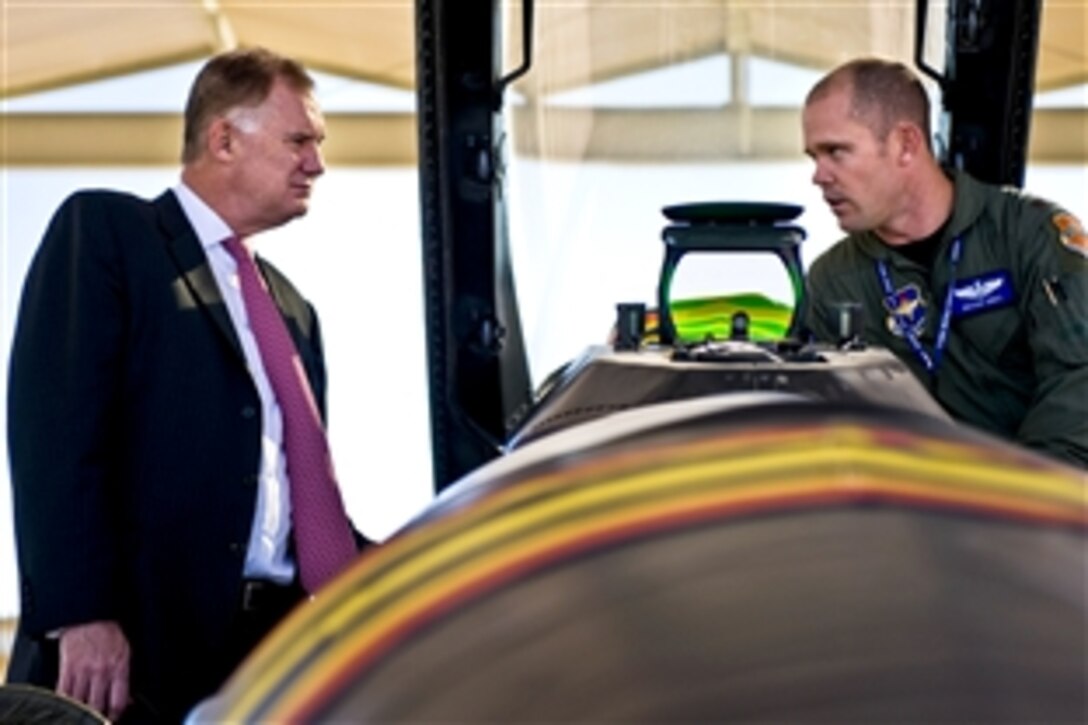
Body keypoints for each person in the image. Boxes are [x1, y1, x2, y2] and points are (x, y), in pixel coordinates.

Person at [6, 47, 371, 723]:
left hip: (268, 664)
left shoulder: (296, 312)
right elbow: (53, 431)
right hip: (133, 659)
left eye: (317, 145)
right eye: (299, 140)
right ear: (223, 137)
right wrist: (80, 612)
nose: (316, 163)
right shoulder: (109, 234)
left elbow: (296, 502)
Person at [800, 57, 1088, 467]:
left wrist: (1019, 500)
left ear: (906, 144)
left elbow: (1079, 386)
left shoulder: (1030, 236)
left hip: (1041, 507)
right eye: (814, 157)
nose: (819, 176)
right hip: (913, 516)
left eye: (835, 152)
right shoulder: (832, 282)